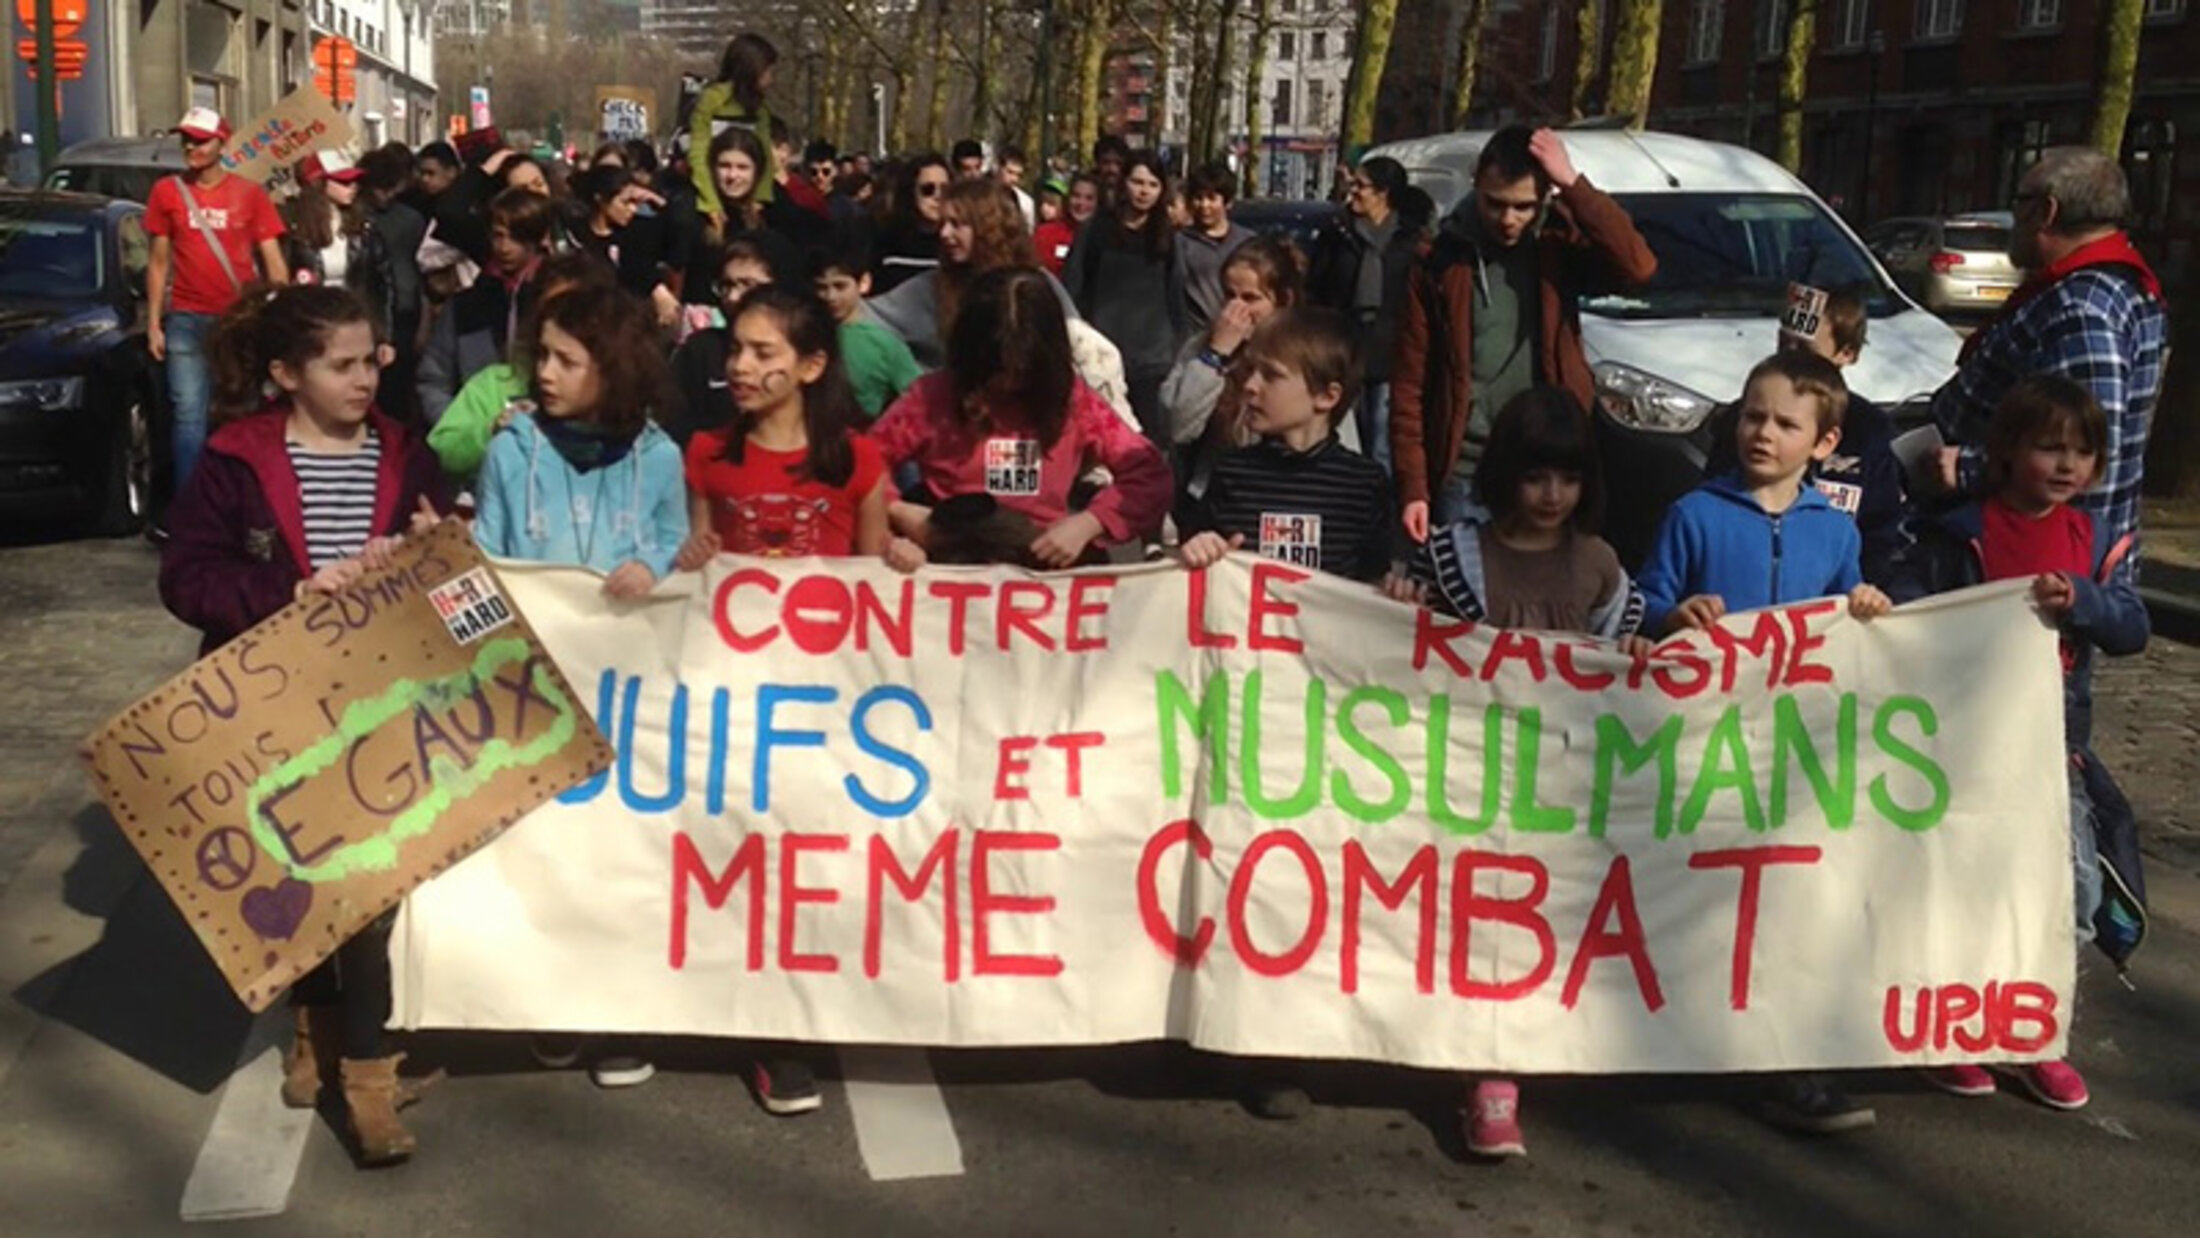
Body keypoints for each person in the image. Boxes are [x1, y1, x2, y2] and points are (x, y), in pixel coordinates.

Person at [157, 285, 448, 1165]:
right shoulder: (236, 459)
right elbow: (186, 577)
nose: (365, 379)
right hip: (275, 709)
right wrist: (286, 590)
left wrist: (434, 543)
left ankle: (366, 1074)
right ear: (286, 375)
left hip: (380, 703)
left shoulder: (405, 452)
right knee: (306, 880)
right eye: (341, 365)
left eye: (372, 360)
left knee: (370, 887)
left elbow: (449, 568)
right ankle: (315, 1036)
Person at [1637, 350, 1892, 1133]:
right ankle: (1689, 1032)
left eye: (1786, 423)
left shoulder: (1835, 530)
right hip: (1706, 746)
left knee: (1789, 903)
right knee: (1707, 894)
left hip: (1796, 755)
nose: (1763, 434)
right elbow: (1645, 600)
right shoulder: (1694, 514)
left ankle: (1785, 1058)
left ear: (1824, 441)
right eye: (1753, 416)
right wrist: (1673, 616)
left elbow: (1845, 616)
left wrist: (1865, 604)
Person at [1894, 375, 2148, 1114]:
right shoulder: (1959, 530)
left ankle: (2035, 1029)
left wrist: (2085, 601)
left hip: (2049, 752)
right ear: (2006, 452)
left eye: (2081, 453)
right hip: (1963, 745)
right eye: (2048, 448)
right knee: (1963, 886)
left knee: (2070, 889)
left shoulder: (2092, 540)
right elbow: (1910, 605)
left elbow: (2131, 626)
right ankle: (1956, 1028)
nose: (2066, 465)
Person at [1393, 125, 1656, 538]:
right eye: (1495, 203)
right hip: (1467, 471)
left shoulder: (1558, 245)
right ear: (1476, 182)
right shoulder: (1439, 259)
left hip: (1548, 463)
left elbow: (1637, 266)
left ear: (1545, 197)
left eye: (1524, 207)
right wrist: (1414, 488)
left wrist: (1573, 184)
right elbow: (1410, 381)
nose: (1508, 220)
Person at [1927, 146, 2168, 585]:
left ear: (2045, 211)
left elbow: (2084, 444)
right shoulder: (2107, 287)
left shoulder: (2083, 308)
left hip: (2037, 573)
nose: (2012, 218)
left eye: (2018, 201)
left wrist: (1968, 467)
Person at [871, 266, 1171, 569]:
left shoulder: (1074, 402)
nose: (1009, 380)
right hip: (951, 563)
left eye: (1023, 368)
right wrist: (898, 512)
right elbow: (862, 463)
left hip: (1042, 565)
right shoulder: (931, 397)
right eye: (996, 367)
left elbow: (1148, 472)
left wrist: (1090, 523)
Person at [1703, 286, 1907, 584]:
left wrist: (1863, 591)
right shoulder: (1742, 418)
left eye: (1804, 349)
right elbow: (1713, 503)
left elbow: (1882, 531)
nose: (1791, 358)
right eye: (1783, 344)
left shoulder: (1868, 429)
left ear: (1846, 353)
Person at [675, 285, 889, 568]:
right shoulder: (707, 451)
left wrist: (902, 557)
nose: (740, 366)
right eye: (735, 350)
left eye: (763, 354)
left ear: (812, 366)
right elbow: (698, 558)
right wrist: (693, 555)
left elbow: (876, 571)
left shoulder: (857, 457)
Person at [1177, 308, 1392, 583]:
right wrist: (1201, 547)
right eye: (1251, 371)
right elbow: (1196, 552)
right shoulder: (1232, 472)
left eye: (1271, 375)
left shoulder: (1363, 483)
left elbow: (1373, 585)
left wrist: (1397, 592)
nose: (1251, 385)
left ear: (1326, 396)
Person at [146, 107, 289, 495]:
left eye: (200, 140)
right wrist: (155, 323)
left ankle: (245, 497)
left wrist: (280, 314)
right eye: (186, 140)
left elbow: (273, 261)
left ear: (221, 143)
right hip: (186, 319)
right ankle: (192, 505)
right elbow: (158, 262)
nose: (191, 148)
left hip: (238, 320)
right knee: (189, 415)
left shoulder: (250, 194)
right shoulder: (166, 192)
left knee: (242, 413)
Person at [426, 252, 617, 480]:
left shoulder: (623, 398)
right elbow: (440, 451)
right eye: (550, 308)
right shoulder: (497, 384)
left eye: (574, 312)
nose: (558, 320)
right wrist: (491, 431)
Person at [866, 178, 1074, 369]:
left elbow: (1078, 343)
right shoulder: (931, 288)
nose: (944, 233)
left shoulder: (1036, 284)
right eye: (943, 224)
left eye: (957, 224)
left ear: (987, 228)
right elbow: (867, 318)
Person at [1307, 155, 1425, 476]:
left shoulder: (1410, 240)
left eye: (1361, 185)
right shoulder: (1337, 233)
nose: (1353, 192)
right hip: (1345, 350)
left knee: (1382, 439)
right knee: (1345, 435)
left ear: (1383, 193)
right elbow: (1317, 287)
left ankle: (1380, 494)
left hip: (1391, 353)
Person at [1064, 150, 1185, 444]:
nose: (1144, 192)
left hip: (1152, 361)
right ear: (1123, 183)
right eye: (1137, 182)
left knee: (1148, 444)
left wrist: (1177, 349)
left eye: (1152, 185)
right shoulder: (1095, 230)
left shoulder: (1167, 237)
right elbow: (1073, 287)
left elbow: (1176, 295)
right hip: (1101, 358)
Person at [418, 187, 558, 424]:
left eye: (516, 237)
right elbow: (434, 378)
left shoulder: (558, 301)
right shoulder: (466, 306)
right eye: (498, 236)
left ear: (538, 238)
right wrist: (459, 426)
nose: (504, 247)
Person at [1161, 235, 1304, 448]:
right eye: (1229, 295)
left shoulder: (1308, 351)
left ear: (1284, 301)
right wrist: (1215, 355)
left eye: (1250, 298)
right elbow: (1177, 428)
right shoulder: (1200, 347)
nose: (1235, 309)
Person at [667, 238, 785, 445]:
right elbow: (674, 422)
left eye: (747, 284)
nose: (732, 297)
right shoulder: (700, 350)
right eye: (726, 285)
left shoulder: (798, 349)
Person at [676, 126, 809, 307]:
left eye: (742, 167)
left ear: (757, 171)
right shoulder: (690, 205)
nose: (732, 175)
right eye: (724, 166)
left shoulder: (775, 205)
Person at [281, 151, 395, 341]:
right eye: (343, 182)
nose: (353, 187)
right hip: (310, 327)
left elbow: (384, 284)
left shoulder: (365, 228)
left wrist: (384, 336)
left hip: (356, 324)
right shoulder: (294, 228)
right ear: (319, 183)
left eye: (355, 181)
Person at [813, 240, 923, 420]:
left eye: (840, 286)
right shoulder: (804, 334)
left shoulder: (884, 344)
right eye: (821, 288)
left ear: (863, 283)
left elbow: (919, 399)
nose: (830, 296)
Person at [360, 145, 430, 425]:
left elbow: (422, 269)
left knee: (398, 386)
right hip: (371, 310)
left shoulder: (411, 219)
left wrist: (424, 319)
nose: (385, 195)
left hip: (406, 308)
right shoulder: (359, 220)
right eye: (380, 188)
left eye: (391, 188)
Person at [689, 32, 780, 226]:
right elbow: (698, 155)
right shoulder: (712, 100)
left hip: (748, 195)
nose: (771, 80)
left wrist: (760, 198)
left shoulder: (760, 109)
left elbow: (765, 156)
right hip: (709, 191)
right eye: (768, 72)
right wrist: (711, 204)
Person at [572, 163, 679, 325]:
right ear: (601, 200)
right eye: (625, 202)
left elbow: (645, 268)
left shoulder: (637, 233)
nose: (633, 209)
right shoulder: (577, 234)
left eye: (636, 203)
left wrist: (657, 200)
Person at [1175, 162, 1257, 338]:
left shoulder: (1248, 241)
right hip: (1198, 336)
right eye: (1198, 198)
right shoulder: (1179, 243)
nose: (1204, 205)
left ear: (1228, 202)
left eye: (1212, 198)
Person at [871, 154, 952, 295]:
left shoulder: (957, 244)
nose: (938, 196)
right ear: (911, 192)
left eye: (945, 189)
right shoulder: (886, 240)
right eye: (928, 189)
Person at [1033, 175, 1082, 276]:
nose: (1044, 208)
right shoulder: (1041, 232)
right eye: (1042, 203)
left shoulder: (1073, 230)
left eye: (1051, 204)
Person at [997, 143, 1036, 227]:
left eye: (1018, 175)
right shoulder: (982, 197)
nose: (1014, 179)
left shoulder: (1025, 203)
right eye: (1010, 172)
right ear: (999, 168)